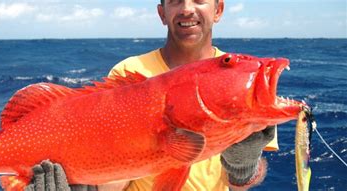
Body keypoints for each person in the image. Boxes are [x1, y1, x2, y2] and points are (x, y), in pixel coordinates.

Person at [26, 0, 278, 190]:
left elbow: (242, 185)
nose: (187, 9)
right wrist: (82, 183)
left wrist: (243, 166)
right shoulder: (128, 73)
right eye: (176, 0)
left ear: (218, 9)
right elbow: (117, 178)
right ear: (162, 13)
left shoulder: (245, 81)